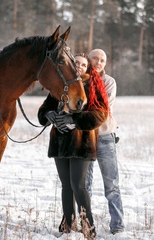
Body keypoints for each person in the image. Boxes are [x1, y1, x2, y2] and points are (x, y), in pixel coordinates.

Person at [38, 53, 109, 238]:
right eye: (75, 62)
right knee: (66, 185)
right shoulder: (62, 83)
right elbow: (44, 109)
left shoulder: (93, 84)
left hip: (82, 143)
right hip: (60, 142)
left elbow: (100, 114)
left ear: (87, 68)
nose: (78, 66)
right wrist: (49, 115)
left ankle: (89, 228)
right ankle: (67, 224)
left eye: (83, 64)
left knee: (78, 185)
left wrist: (73, 119)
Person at [86, 49, 125, 235]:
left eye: (102, 60)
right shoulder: (78, 79)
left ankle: (117, 226)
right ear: (88, 59)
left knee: (112, 185)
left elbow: (101, 107)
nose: (98, 62)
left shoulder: (109, 82)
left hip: (105, 137)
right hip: (84, 137)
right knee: (84, 186)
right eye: (95, 58)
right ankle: (86, 224)